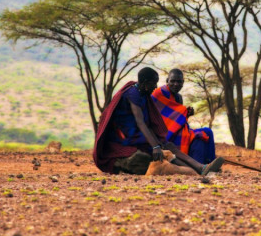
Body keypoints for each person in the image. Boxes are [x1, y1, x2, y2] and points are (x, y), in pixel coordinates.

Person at [93, 67, 224, 175]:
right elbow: (140, 122)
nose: (155, 87)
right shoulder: (133, 94)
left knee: (168, 146)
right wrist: (155, 146)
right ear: (144, 83)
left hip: (138, 134)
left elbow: (148, 122)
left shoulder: (144, 94)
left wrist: (158, 141)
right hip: (126, 137)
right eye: (153, 83)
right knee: (164, 150)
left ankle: (201, 167)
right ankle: (199, 170)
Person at [151, 68, 217, 165]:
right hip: (164, 134)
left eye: (179, 81)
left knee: (207, 132)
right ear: (167, 81)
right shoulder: (158, 94)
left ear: (183, 82)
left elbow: (177, 118)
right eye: (172, 81)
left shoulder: (178, 97)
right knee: (204, 133)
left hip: (177, 130)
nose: (176, 84)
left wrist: (187, 114)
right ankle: (207, 164)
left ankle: (210, 163)